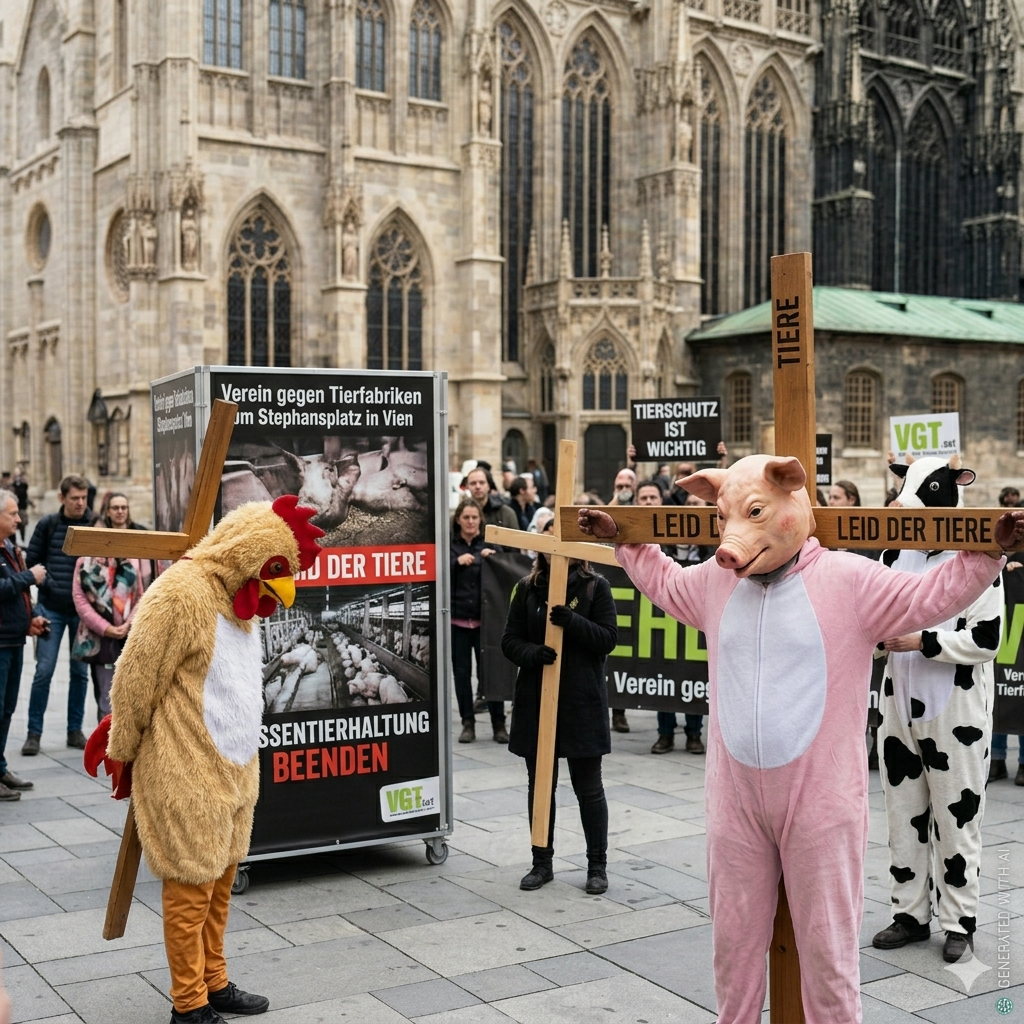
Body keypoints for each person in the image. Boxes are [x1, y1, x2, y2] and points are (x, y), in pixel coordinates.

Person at [872, 457, 1000, 964]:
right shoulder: (891, 554)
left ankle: (959, 920)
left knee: (957, 815)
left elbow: (986, 638)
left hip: (957, 712)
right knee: (902, 812)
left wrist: (922, 641)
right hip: (897, 703)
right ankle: (909, 913)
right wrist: (880, 642)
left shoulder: (975, 557)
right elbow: (869, 620)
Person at [502, 516, 618, 894]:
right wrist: (533, 653)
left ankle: (596, 866)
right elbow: (509, 640)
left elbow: (608, 639)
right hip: (538, 700)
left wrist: (573, 622)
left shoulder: (595, 588)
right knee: (540, 786)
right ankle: (541, 861)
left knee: (589, 787)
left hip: (580, 701)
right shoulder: (526, 588)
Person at [22, 475, 97, 754]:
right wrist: (49, 583)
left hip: (82, 612)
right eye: (75, 498)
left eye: (84, 497)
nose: (80, 503)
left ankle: (74, 730)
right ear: (62, 498)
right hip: (51, 607)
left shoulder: (94, 523)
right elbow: (32, 564)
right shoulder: (48, 524)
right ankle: (33, 733)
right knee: (44, 671)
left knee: (79, 673)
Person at [635, 482, 707, 756]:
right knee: (662, 671)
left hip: (694, 621)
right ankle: (664, 734)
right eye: (687, 506)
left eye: (696, 505)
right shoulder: (662, 546)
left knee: (693, 674)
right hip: (661, 620)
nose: (691, 510)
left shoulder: (709, 551)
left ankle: (694, 733)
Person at [72, 523, 147, 724]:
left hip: (128, 636)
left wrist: (127, 625)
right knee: (106, 695)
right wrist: (107, 628)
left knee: (131, 694)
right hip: (100, 638)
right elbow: (80, 601)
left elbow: (140, 595)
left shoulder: (130, 562)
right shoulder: (84, 564)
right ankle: (106, 746)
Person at [0, 491, 47, 801]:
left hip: (14, 639)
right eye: (12, 514)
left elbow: (16, 597)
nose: (19, 519)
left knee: (6, 709)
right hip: (1, 643)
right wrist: (30, 575)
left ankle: (0, 767)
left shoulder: (8, 547)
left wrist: (32, 619)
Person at [450, 499, 507, 744]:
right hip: (458, 621)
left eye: (474, 518)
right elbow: (438, 573)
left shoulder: (489, 545)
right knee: (461, 674)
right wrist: (455, 563)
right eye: (466, 518)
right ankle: (468, 722)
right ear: (458, 520)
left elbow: (506, 569)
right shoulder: (450, 547)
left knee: (491, 673)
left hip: (486, 623)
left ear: (480, 520)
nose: (471, 522)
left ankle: (498, 723)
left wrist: (494, 557)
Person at [466, 466, 519, 534]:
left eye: (482, 482)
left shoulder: (505, 513)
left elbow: (516, 541)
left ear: (488, 486)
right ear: (467, 487)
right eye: (473, 483)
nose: (477, 487)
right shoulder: (461, 515)